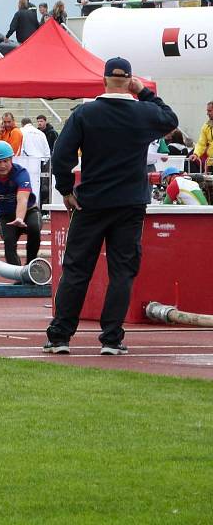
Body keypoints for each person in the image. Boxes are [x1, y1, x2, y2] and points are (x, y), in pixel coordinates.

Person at [45, 57, 179, 356]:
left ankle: (60, 336)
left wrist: (66, 189)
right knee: (122, 271)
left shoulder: (85, 113)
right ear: (130, 81)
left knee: (77, 269)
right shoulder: (144, 113)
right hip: (130, 202)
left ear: (104, 80)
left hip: (91, 201)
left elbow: (62, 154)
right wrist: (144, 92)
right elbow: (170, 119)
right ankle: (111, 338)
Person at [0, 141, 41, 266]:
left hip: (28, 211)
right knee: (9, 241)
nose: (2, 165)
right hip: (6, 215)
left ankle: (30, 266)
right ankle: (17, 274)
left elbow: (22, 199)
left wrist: (19, 218)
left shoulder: (21, 173)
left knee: (34, 228)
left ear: (11, 159)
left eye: (6, 161)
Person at [188, 101, 213, 174]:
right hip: (210, 164)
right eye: (207, 111)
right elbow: (201, 144)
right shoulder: (206, 126)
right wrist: (196, 154)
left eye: (210, 111)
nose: (207, 113)